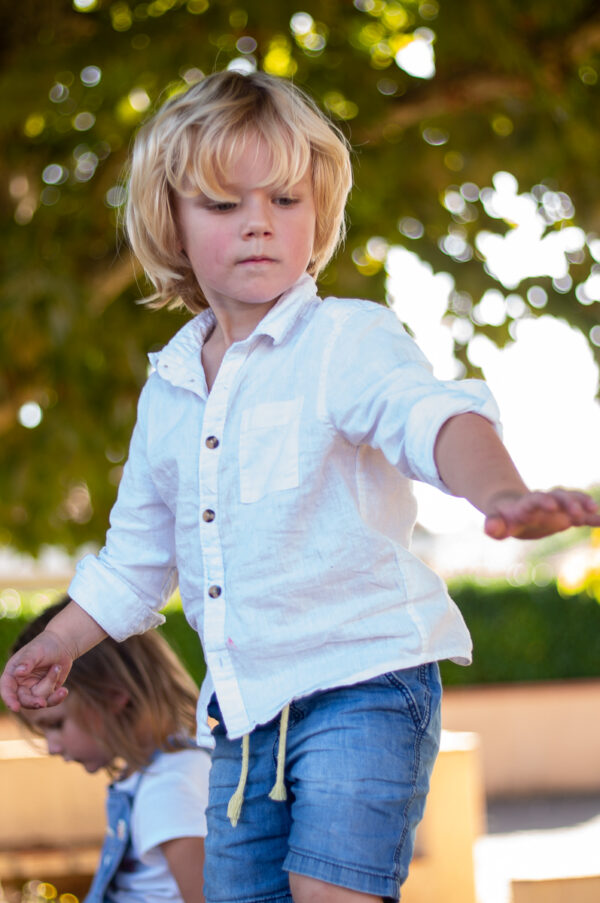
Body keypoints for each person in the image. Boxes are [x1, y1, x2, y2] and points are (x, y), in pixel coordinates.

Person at [2, 70, 599, 903]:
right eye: (224, 204)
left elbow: (430, 417)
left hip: (365, 683)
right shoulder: (168, 389)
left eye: (286, 199)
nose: (259, 223)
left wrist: (501, 494)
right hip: (242, 719)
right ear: (170, 222)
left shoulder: (346, 341)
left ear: (318, 213)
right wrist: (55, 644)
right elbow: (134, 562)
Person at [10, 597, 211, 903]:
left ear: (113, 696)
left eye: (56, 724)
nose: (51, 747)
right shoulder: (151, 776)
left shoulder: (170, 785)